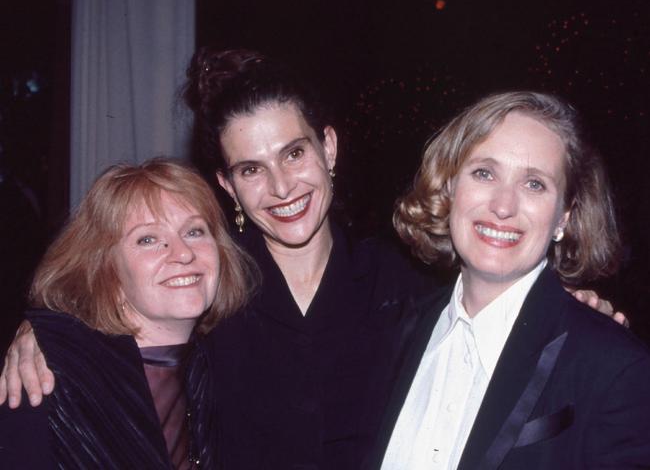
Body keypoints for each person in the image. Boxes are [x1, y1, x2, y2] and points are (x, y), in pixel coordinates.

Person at [0, 52, 623, 469]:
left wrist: (566, 307)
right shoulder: (207, 285)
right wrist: (45, 330)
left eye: (294, 153)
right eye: (251, 169)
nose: (281, 187)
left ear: (327, 146)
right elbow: (125, 325)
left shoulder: (407, 278)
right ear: (228, 185)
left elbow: (500, 316)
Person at [367, 91, 650, 469]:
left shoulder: (615, 368)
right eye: (484, 173)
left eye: (534, 184)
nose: (503, 206)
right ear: (450, 187)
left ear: (564, 216)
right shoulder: (392, 332)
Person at [0, 158, 254, 468]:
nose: (183, 253)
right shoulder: (47, 376)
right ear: (108, 270)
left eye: (194, 232)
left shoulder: (219, 366)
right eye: (148, 239)